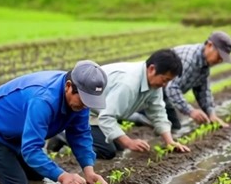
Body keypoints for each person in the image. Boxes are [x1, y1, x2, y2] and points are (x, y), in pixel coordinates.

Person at [0, 60, 109, 184]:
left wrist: (89, 171)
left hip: (19, 128)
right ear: (68, 86)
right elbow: (31, 149)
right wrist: (63, 176)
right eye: (84, 100)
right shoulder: (44, 100)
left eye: (89, 101)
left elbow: (80, 135)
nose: (85, 106)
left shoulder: (81, 102)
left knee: (37, 176)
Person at [48, 49, 190, 159]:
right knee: (107, 151)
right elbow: (107, 117)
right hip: (86, 110)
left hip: (100, 112)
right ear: (152, 69)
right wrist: (129, 142)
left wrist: (170, 141)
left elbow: (158, 112)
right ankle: (64, 133)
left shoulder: (154, 84)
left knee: (118, 146)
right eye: (164, 80)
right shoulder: (128, 83)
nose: (164, 85)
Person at [163, 30, 231, 130]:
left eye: (222, 59)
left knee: (174, 125)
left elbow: (203, 91)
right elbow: (172, 88)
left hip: (164, 98)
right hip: (150, 93)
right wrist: (191, 111)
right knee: (162, 124)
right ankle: (137, 114)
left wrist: (211, 114)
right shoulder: (189, 60)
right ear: (209, 45)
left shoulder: (204, 65)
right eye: (219, 56)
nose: (220, 61)